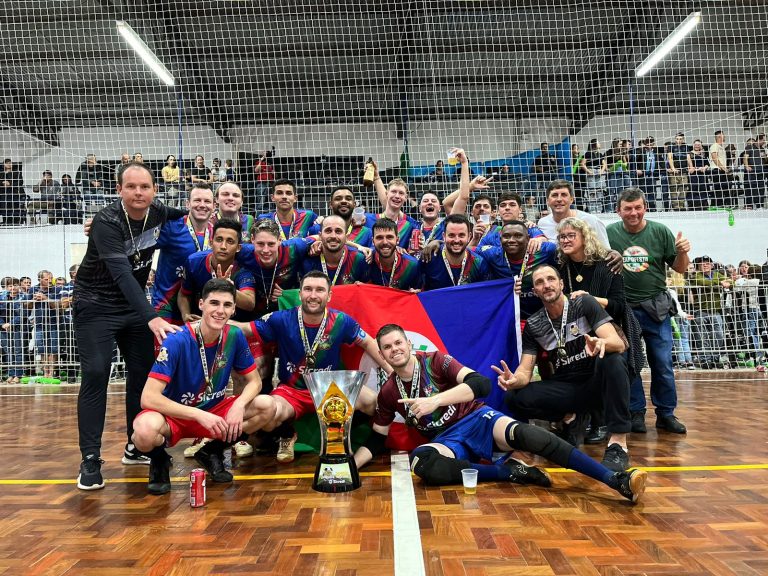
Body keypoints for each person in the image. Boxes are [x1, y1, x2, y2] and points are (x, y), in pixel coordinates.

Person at [353, 323, 647, 503]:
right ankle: (508, 472)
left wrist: (435, 401)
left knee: (530, 436)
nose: (394, 350)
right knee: (422, 462)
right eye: (387, 347)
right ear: (381, 354)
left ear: (408, 343)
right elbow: (377, 438)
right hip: (447, 440)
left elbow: (480, 384)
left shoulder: (434, 361)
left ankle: (614, 480)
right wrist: (351, 466)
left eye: (398, 343)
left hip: (476, 419)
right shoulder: (389, 391)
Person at [73, 162, 185, 491]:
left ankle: (136, 446)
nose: (139, 192)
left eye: (145, 187)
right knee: (96, 373)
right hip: (95, 305)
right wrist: (152, 316)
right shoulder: (107, 222)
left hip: (132, 308)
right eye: (132, 186)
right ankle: (90, 458)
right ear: (119, 190)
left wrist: (211, 209)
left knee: (143, 374)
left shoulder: (158, 212)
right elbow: (123, 275)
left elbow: (186, 214)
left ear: (154, 190)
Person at [232, 271, 391, 464]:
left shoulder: (341, 321)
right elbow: (245, 328)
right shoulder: (281, 319)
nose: (313, 295)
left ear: (329, 295)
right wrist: (213, 322)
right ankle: (287, 434)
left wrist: (391, 371)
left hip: (330, 386)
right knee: (269, 414)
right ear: (300, 294)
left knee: (374, 402)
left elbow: (368, 342)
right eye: (308, 289)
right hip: (292, 391)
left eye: (319, 290)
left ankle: (351, 433)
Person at [131, 279, 264, 494]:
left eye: (227, 305)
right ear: (201, 304)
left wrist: (239, 405)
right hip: (175, 415)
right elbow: (148, 398)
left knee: (267, 406)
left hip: (214, 412)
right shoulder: (176, 340)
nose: (220, 311)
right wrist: (197, 414)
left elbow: (255, 381)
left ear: (234, 309)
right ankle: (159, 460)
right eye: (214, 303)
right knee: (144, 431)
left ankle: (211, 452)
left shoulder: (234, 335)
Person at [501, 264, 634, 471]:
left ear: (561, 284)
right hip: (568, 387)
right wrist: (513, 380)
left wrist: (602, 343)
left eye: (551, 279)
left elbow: (617, 343)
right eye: (539, 282)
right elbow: (525, 371)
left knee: (613, 360)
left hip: (597, 382)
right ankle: (570, 418)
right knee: (514, 397)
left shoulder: (584, 303)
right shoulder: (534, 324)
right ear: (535, 291)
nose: (546, 285)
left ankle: (618, 444)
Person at [607, 188, 690, 435]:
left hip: (656, 308)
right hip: (624, 310)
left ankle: (666, 413)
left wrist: (683, 252)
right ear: (618, 210)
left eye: (638, 207)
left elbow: (681, 268)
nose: (633, 213)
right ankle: (635, 413)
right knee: (630, 364)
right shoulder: (609, 233)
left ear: (645, 208)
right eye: (628, 208)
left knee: (663, 363)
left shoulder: (660, 231)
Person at [152, 184, 216, 323]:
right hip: (166, 305)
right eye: (197, 200)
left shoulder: (217, 234)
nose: (202, 205)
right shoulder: (172, 228)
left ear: (214, 206)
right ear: (187, 204)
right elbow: (143, 244)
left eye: (207, 201)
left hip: (197, 307)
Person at [178, 219, 256, 323]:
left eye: (230, 241)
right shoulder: (194, 262)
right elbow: (184, 293)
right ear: (211, 243)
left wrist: (228, 287)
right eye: (219, 240)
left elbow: (250, 304)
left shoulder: (242, 271)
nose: (223, 246)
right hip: (200, 323)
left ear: (238, 247)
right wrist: (185, 314)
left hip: (232, 326)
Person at [482, 221, 556, 318]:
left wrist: (540, 238)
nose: (511, 240)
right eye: (506, 236)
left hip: (540, 315)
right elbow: (468, 253)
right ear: (500, 240)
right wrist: (474, 238)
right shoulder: (493, 254)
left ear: (528, 238)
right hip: (508, 316)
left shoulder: (545, 251)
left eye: (518, 236)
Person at [421, 214, 489, 290]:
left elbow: (484, 293)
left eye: (461, 235)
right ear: (444, 236)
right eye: (451, 235)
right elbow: (416, 289)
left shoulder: (478, 263)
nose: (456, 240)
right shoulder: (428, 258)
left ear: (469, 237)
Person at [537, 180, 610, 247]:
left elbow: (606, 251)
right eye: (554, 195)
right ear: (547, 201)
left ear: (571, 199)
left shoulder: (591, 221)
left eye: (564, 195)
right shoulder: (543, 223)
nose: (559, 199)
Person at [688, 256, 730, 369]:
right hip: (700, 311)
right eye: (702, 263)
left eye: (707, 263)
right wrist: (720, 283)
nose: (705, 265)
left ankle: (715, 359)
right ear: (698, 266)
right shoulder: (695, 275)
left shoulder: (717, 274)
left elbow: (731, 281)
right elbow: (702, 282)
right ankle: (705, 361)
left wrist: (727, 282)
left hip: (715, 311)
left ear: (712, 265)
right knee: (702, 337)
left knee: (719, 335)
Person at [300, 215, 368, 285]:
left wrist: (362, 287)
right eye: (328, 231)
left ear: (346, 237)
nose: (333, 236)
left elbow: (369, 288)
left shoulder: (358, 259)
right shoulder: (308, 260)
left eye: (338, 231)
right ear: (320, 236)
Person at [367, 167, 419, 248]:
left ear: (406, 198)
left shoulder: (410, 226)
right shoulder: (367, 219)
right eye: (394, 192)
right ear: (386, 194)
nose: (397, 196)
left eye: (401, 193)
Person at [307, 186, 373, 248]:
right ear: (330, 204)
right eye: (338, 199)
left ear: (354, 205)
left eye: (348, 199)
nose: (344, 201)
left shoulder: (366, 233)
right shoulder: (317, 229)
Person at [366, 217, 422, 290]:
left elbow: (419, 293)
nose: (385, 242)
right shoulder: (366, 261)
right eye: (379, 237)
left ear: (397, 240)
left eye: (389, 237)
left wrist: (416, 292)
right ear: (373, 241)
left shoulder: (411, 265)